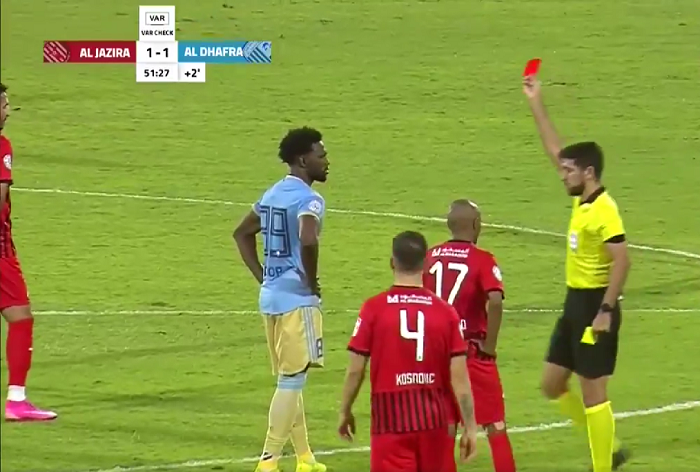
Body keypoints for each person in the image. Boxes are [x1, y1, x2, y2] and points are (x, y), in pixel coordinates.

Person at [523, 75, 632, 472]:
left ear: (587, 172)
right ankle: (610, 447)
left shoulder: (604, 210)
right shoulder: (582, 199)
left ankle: (603, 464)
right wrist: (536, 102)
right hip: (574, 302)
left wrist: (605, 310)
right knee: (552, 384)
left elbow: (623, 261)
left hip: (594, 306)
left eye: (568, 170)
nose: (561, 174)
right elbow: (556, 151)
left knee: (593, 392)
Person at [339, 230, 478, 472]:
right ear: (425, 264)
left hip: (390, 420)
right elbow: (459, 377)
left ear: (392, 262)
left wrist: (345, 410)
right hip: (435, 421)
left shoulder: (374, 309)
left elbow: (355, 370)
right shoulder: (446, 313)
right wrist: (470, 426)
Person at [233, 127, 329, 472]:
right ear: (303, 159)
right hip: (296, 301)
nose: (326, 161)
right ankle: (269, 460)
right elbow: (308, 237)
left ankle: (305, 458)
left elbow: (241, 233)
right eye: (321, 155)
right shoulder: (309, 200)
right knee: (291, 381)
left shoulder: (272, 194)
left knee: (291, 377)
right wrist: (311, 281)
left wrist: (263, 276)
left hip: (271, 297)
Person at [423, 199, 517, 472]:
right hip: (472, 353)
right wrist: (489, 346)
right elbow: (495, 301)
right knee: (495, 424)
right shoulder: (482, 259)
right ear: (476, 225)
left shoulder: (430, 256)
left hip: (437, 353)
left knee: (446, 426)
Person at [0, 82, 58, 422]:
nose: (8, 111)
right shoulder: (1, 146)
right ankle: (16, 401)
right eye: (4, 105)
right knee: (20, 317)